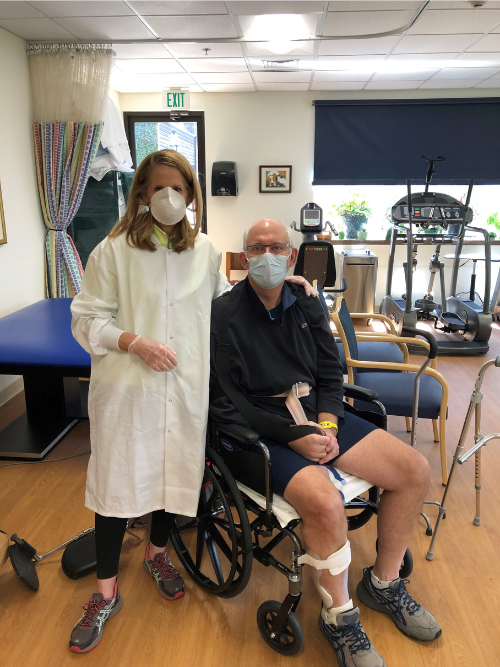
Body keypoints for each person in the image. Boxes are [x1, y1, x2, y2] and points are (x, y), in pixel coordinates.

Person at [70, 151, 313, 653]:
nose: (168, 197)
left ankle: (157, 554)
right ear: (141, 193)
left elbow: (229, 306)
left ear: (190, 196)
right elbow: (86, 319)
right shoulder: (112, 251)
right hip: (127, 390)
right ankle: (104, 593)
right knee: (117, 487)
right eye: (158, 188)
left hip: (184, 390)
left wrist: (277, 283)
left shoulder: (203, 251)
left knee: (172, 478)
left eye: (178, 189)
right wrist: (133, 342)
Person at [210, 218, 441, 667]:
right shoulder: (224, 314)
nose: (267, 256)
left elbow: (331, 373)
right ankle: (338, 618)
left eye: (277, 247)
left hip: (316, 413)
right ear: (244, 259)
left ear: (292, 255)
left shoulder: (306, 304)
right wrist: (293, 438)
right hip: (256, 431)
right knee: (326, 503)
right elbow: (226, 399)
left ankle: (384, 585)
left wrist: (329, 425)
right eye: (256, 250)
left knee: (414, 471)